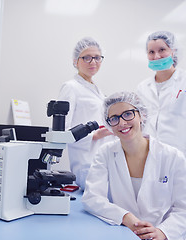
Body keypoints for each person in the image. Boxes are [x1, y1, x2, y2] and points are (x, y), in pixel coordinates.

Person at [82, 91, 186, 240]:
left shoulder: (172, 156)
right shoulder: (105, 154)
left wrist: (162, 232)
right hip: (126, 234)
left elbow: (185, 209)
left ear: (141, 115)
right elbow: (92, 197)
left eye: (128, 114)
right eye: (114, 118)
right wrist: (126, 217)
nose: (122, 123)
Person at [137, 31, 186, 213]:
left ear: (173, 51)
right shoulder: (142, 88)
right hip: (151, 163)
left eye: (162, 49)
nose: (157, 56)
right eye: (151, 52)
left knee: (181, 218)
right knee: (152, 217)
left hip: (183, 161)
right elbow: (140, 127)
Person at [58, 37, 114, 190]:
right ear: (76, 61)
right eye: (87, 58)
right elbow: (62, 132)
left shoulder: (95, 89)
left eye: (97, 57)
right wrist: (94, 136)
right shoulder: (71, 87)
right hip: (85, 163)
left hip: (101, 158)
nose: (93, 62)